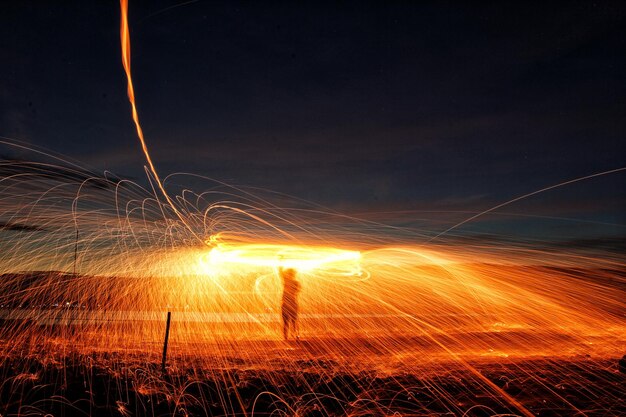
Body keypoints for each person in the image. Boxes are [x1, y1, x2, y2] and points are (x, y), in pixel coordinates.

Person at [279, 266, 301, 341]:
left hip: (286, 304)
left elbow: (280, 272)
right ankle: (296, 335)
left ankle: (286, 337)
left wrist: (280, 261)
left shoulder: (287, 281)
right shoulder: (296, 283)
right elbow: (297, 291)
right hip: (292, 303)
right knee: (294, 321)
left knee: (286, 322)